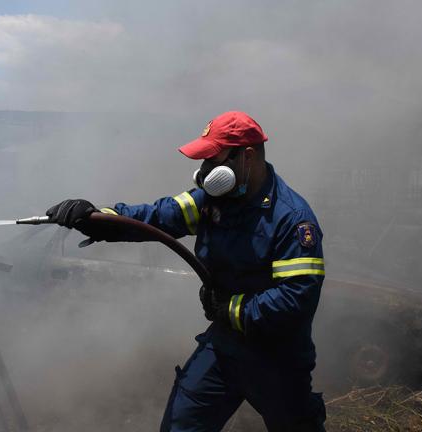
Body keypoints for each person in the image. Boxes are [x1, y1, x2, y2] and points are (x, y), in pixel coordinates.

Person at [46, 111, 326, 431]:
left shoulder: (291, 218)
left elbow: (296, 299)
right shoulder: (211, 202)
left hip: (276, 358)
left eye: (213, 159)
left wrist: (230, 308)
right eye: (203, 161)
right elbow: (155, 218)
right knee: (181, 425)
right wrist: (96, 218)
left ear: (247, 157)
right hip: (224, 347)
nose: (205, 171)